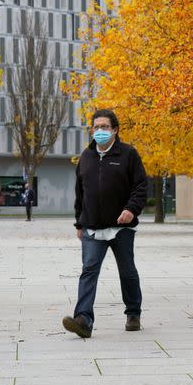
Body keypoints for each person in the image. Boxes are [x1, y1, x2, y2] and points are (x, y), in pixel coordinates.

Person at [62, 109, 148, 338]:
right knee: (88, 271)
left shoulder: (129, 154)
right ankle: (83, 319)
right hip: (92, 227)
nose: (100, 131)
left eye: (105, 127)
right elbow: (80, 193)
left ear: (115, 130)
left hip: (122, 228)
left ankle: (133, 313)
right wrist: (79, 223)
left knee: (127, 271)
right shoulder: (86, 157)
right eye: (96, 127)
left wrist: (131, 210)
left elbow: (140, 186)